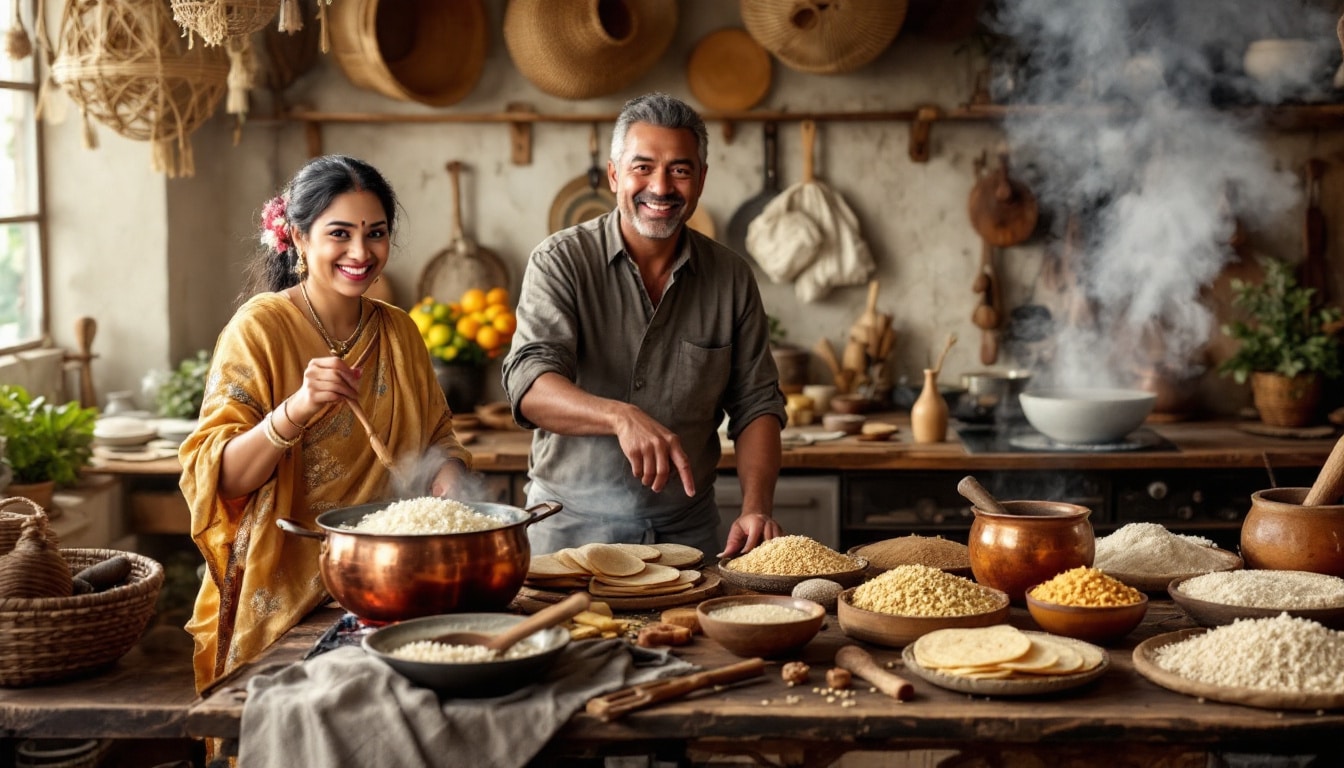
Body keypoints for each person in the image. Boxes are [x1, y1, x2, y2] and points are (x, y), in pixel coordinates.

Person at [180, 155, 472, 692]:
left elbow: (437, 437)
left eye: (376, 234)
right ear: (298, 237)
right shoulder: (259, 329)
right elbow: (218, 477)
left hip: (390, 584)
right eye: (340, 233)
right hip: (283, 592)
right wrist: (295, 409)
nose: (361, 253)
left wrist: (447, 479)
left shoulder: (399, 330)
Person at [502, 93, 787, 561]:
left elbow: (757, 403)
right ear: (615, 175)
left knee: (683, 638)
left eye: (679, 169)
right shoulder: (561, 261)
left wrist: (757, 506)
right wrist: (620, 416)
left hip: (688, 536)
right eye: (642, 167)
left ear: (700, 179)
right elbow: (529, 385)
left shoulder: (731, 277)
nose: (661, 186)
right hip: (568, 533)